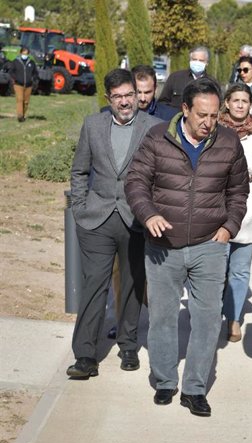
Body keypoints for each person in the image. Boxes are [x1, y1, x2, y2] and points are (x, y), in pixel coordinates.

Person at [125, 78, 249, 417]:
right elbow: (136, 181)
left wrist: (229, 227)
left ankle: (194, 388)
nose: (208, 122)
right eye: (201, 115)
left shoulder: (228, 142)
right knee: (163, 317)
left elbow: (239, 192)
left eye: (213, 115)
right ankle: (165, 381)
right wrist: (148, 214)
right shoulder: (156, 138)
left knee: (207, 320)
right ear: (185, 110)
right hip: (164, 245)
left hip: (211, 244)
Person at [67, 68, 161, 378]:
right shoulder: (93, 125)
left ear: (137, 94)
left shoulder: (155, 128)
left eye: (129, 95)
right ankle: (85, 354)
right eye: (118, 97)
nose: (124, 102)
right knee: (95, 284)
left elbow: (162, 177)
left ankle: (128, 345)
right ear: (109, 98)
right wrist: (79, 209)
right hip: (97, 218)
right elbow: (79, 170)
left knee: (134, 283)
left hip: (136, 220)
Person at [218, 83, 252, 343]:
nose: (240, 104)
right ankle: (212, 313)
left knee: (239, 271)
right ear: (226, 102)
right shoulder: (213, 128)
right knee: (216, 269)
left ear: (251, 104)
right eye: (235, 100)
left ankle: (234, 318)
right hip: (217, 209)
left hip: (248, 211)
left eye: (244, 101)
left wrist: (237, 161)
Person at [158, 46, 214, 110]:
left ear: (207, 63)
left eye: (201, 60)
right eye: (194, 59)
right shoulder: (175, 78)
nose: (197, 63)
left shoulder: (211, 83)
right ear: (190, 60)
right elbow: (162, 102)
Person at [7, 46, 38, 122]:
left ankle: (23, 114)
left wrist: (33, 79)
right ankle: (20, 116)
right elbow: (11, 71)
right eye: (23, 53)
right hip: (18, 84)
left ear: (28, 54)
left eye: (26, 54)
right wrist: (15, 78)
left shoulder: (31, 62)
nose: (25, 55)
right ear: (20, 53)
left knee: (26, 102)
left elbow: (35, 73)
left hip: (28, 85)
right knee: (20, 99)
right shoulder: (15, 61)